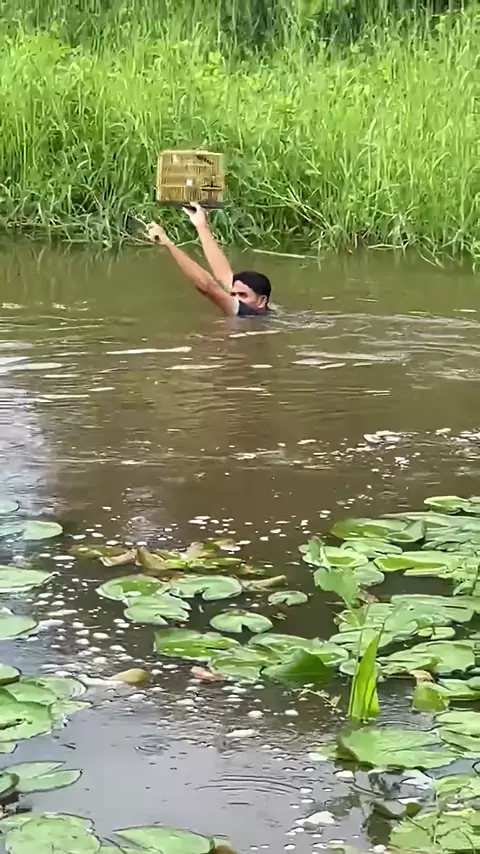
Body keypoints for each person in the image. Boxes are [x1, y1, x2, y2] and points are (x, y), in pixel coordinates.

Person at [146, 204, 272, 317]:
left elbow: (207, 286)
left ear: (262, 301)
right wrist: (201, 225)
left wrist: (167, 243)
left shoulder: (249, 313)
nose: (235, 299)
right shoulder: (263, 308)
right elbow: (223, 274)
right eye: (233, 294)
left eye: (243, 295)